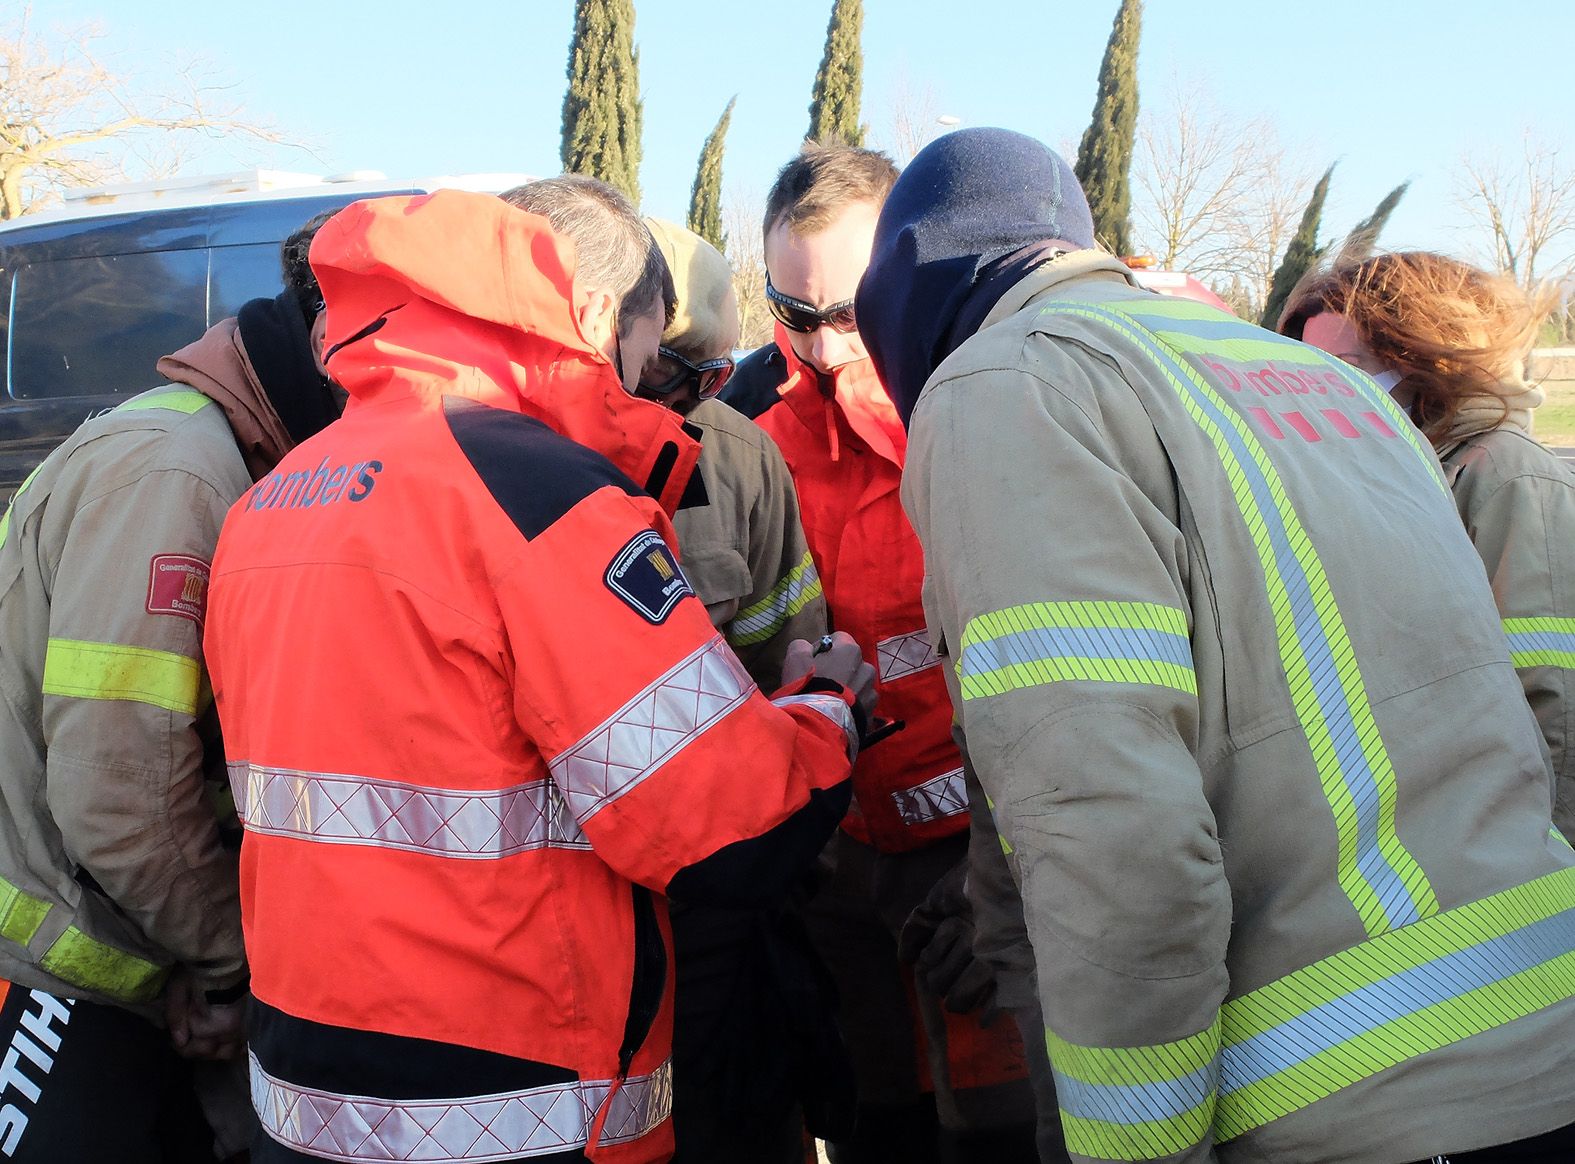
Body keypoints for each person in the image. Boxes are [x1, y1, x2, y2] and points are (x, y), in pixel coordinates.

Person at [857, 125, 1575, 1164]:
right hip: (1541, 1038)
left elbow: (1118, 838)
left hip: (1353, 1105)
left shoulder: (1007, 384)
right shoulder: (1306, 376)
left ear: (909, 295)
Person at [204, 177, 878, 1164]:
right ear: (600, 315)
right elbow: (724, 827)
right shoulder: (537, 495)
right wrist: (827, 712)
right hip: (511, 1097)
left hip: (304, 1096)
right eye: (646, 357)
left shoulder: (272, 503)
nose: (643, 386)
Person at [0, 213, 342, 1162]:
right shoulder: (178, 477)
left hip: (128, 957)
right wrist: (234, 964)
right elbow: (120, 795)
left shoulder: (229, 458)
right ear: (327, 341)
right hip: (57, 978)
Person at [742, 142, 1038, 1163]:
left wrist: (1004, 875)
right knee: (874, 1127)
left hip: (982, 873)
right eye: (794, 315)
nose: (824, 349)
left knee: (999, 1135)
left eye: (845, 311)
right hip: (840, 876)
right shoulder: (751, 443)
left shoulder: (994, 411)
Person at [633, 218, 839, 1162]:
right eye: (686, 378)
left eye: (718, 380)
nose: (702, 403)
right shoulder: (514, 463)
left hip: (717, 891)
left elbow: (781, 656)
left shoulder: (737, 457)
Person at [1281, 252, 1575, 840]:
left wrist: (1541, 855)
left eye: (1345, 368)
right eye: (1304, 369)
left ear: (1426, 362)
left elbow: (1555, 708)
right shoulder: (1375, 471)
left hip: (1498, 845)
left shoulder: (1508, 477)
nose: (1318, 390)